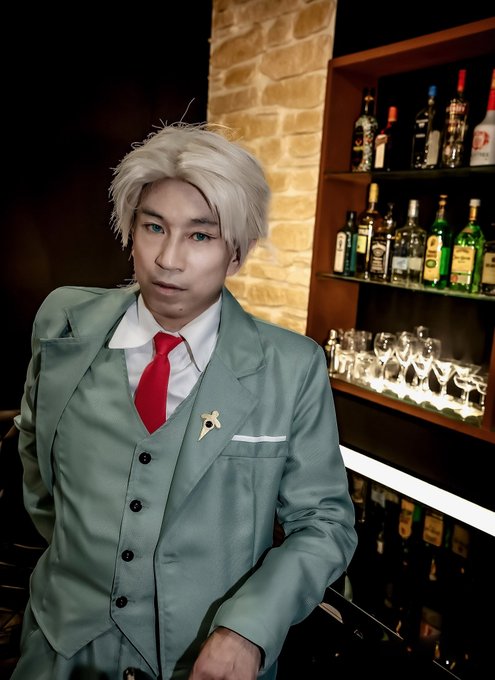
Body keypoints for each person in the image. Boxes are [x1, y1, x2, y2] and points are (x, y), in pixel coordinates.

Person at [12, 122, 357, 680]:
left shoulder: (291, 368)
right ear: (131, 231)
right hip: (58, 652)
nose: (168, 259)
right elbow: (36, 464)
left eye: (200, 236)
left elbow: (324, 524)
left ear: (237, 254)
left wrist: (248, 628)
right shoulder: (62, 323)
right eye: (154, 227)